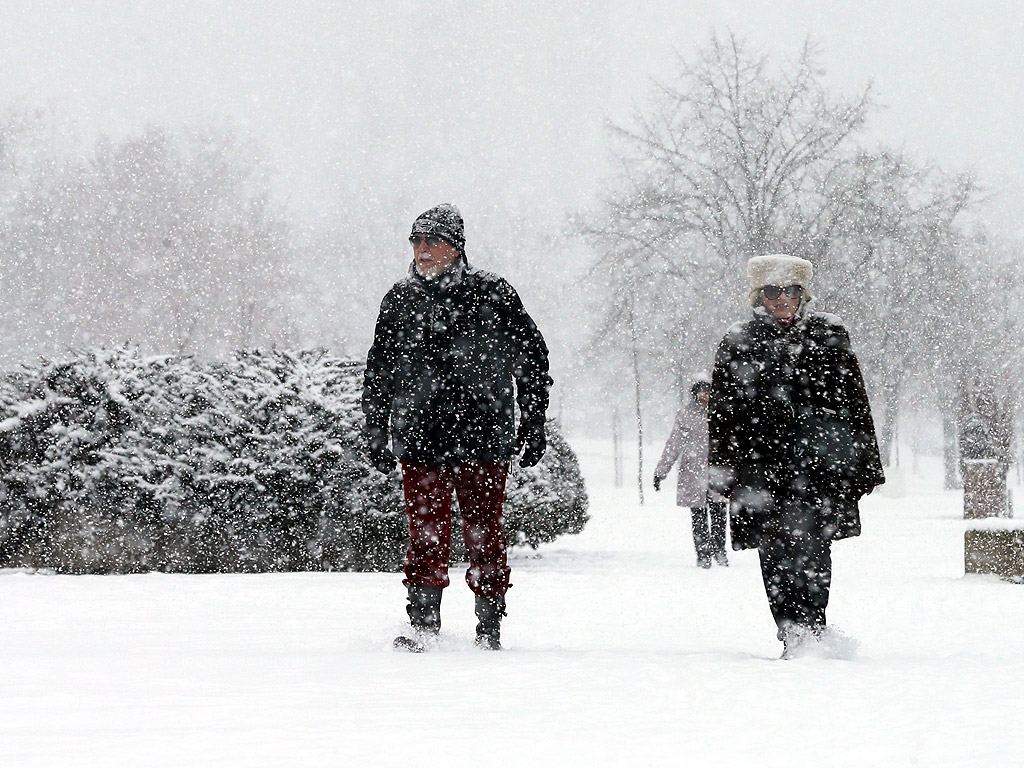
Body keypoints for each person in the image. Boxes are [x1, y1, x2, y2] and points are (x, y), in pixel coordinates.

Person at [362, 203, 552, 652]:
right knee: (425, 533)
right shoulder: (400, 299)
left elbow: (532, 359)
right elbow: (379, 370)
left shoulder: (494, 294)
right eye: (417, 240)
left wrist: (534, 419)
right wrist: (375, 427)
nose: (423, 249)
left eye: (434, 240)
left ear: (457, 247)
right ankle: (425, 627)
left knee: (485, 530)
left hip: (483, 434)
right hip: (420, 434)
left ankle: (489, 628)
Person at [707, 254, 884, 658]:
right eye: (772, 291)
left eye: (790, 290)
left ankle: (815, 631)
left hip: (819, 466)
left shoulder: (830, 334)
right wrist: (722, 469)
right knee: (774, 553)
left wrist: (865, 463)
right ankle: (791, 634)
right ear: (759, 295)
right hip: (761, 470)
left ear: (803, 293)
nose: (782, 299)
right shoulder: (739, 340)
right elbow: (723, 415)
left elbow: (856, 402)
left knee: (815, 549)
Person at [653, 374, 728, 569]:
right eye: (701, 392)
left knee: (719, 514)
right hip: (693, 473)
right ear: (694, 394)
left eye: (707, 392)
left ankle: (720, 550)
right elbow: (673, 445)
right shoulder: (685, 415)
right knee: (698, 517)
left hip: (717, 472)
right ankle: (703, 554)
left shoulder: (720, 413)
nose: (705, 396)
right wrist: (661, 472)